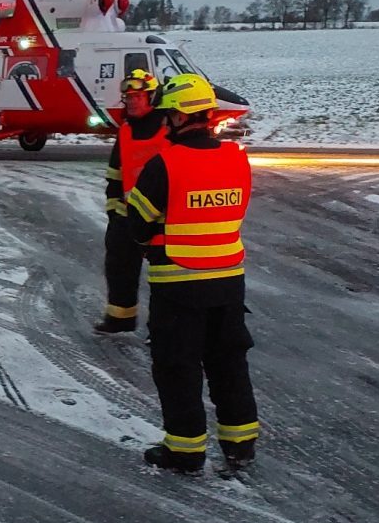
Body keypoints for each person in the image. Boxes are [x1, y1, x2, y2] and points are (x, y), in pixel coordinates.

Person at [127, 73, 258, 475]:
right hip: (229, 282)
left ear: (180, 118)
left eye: (168, 115)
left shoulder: (164, 164)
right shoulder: (237, 158)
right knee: (229, 364)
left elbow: (138, 225)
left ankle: (184, 452)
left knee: (178, 367)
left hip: (179, 285)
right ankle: (240, 446)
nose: (164, 122)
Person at [95, 69, 166, 334]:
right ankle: (120, 318)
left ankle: (160, 330)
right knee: (119, 268)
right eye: (128, 97)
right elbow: (115, 174)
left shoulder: (166, 127)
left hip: (161, 218)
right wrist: (114, 211)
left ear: (151, 97)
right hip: (127, 216)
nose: (132, 101)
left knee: (163, 279)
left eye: (138, 96)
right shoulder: (125, 130)